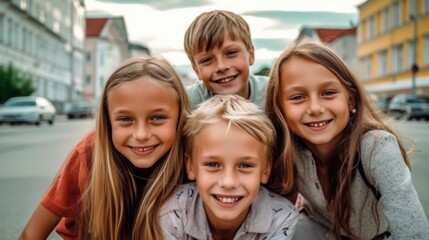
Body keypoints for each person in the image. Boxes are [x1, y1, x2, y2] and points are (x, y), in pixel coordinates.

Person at [265, 40, 429, 239]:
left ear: (350, 99)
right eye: (298, 97)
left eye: (329, 93)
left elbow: (414, 232)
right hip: (316, 230)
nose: (315, 108)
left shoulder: (377, 147)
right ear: (279, 108)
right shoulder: (284, 151)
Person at [19, 56, 190, 240]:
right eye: (125, 119)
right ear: (107, 122)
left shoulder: (194, 153)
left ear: (181, 117)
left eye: (157, 118)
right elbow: (31, 234)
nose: (141, 135)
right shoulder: (89, 152)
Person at [160, 94, 298, 239]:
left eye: (245, 165)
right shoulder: (171, 213)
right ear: (190, 166)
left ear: (266, 170)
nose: (228, 182)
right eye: (212, 164)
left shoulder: (282, 217)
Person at [184, 10, 268, 110]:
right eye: (207, 60)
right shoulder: (186, 103)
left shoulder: (273, 93)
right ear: (196, 70)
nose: (221, 67)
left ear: (251, 54)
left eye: (231, 53)